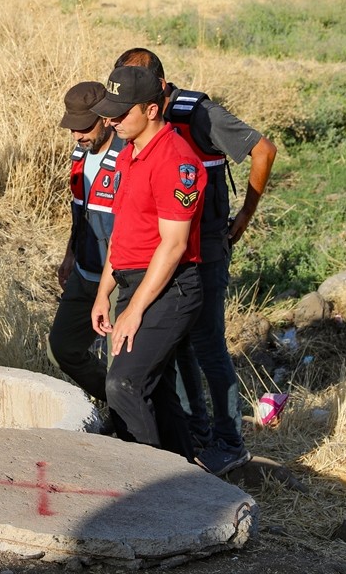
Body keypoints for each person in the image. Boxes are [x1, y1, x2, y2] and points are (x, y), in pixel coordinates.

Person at [116, 47, 277, 476]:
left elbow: (264, 149)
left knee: (206, 343)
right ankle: (197, 432)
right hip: (167, 247)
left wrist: (245, 214)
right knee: (177, 343)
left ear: (161, 90)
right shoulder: (135, 125)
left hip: (202, 246)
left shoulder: (197, 114)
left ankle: (229, 441)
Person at [90, 66, 206, 461]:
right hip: (132, 282)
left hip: (168, 290)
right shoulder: (129, 155)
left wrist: (135, 309)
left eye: (122, 113)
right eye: (110, 112)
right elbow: (123, 234)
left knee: (124, 384)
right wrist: (104, 292)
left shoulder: (176, 161)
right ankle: (188, 478)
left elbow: (173, 246)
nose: (112, 121)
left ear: (152, 110)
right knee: (155, 390)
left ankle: (148, 481)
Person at [48, 81, 123, 403]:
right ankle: (122, 409)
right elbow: (80, 209)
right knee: (61, 349)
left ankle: (135, 427)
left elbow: (126, 233)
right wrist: (70, 254)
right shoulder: (81, 152)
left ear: (106, 118)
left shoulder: (127, 158)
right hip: (85, 270)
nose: (77, 135)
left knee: (123, 368)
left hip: (119, 278)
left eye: (84, 127)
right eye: (72, 128)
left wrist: (106, 292)